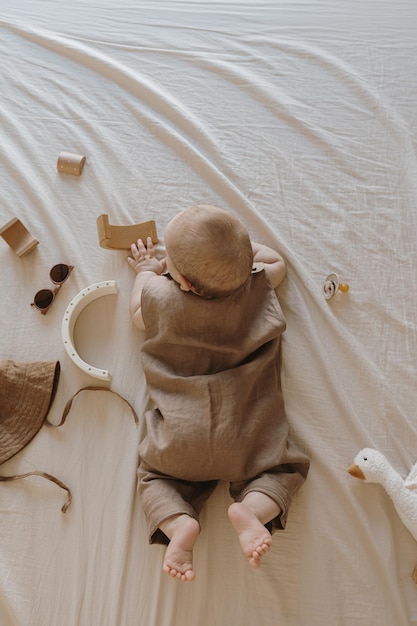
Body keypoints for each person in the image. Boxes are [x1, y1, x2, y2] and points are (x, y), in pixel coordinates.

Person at [127, 204, 309, 582]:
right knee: (282, 470)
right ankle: (253, 511)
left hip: (181, 435)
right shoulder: (258, 285)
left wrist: (147, 270)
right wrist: (238, 259)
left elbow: (135, 313)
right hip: (247, 432)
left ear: (187, 283)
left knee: (154, 478)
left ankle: (178, 523)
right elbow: (276, 260)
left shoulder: (160, 298)